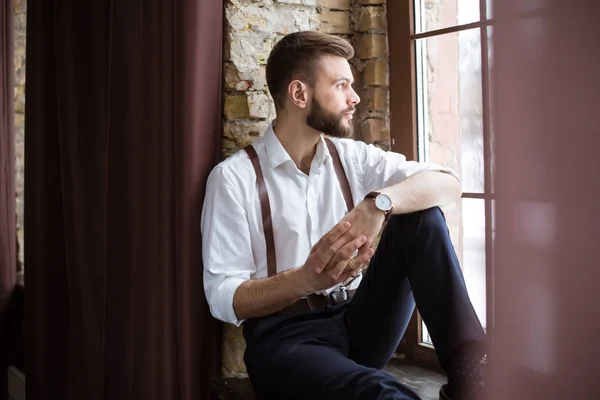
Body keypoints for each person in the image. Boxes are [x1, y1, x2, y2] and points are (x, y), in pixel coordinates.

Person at [202, 31, 486, 400]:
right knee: (381, 393)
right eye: (341, 85)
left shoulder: (351, 157)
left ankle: (473, 375)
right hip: (286, 340)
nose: (354, 98)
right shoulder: (233, 178)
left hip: (359, 320)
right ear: (300, 94)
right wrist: (304, 280)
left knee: (421, 216)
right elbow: (222, 296)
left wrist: (378, 204)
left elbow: (447, 182)